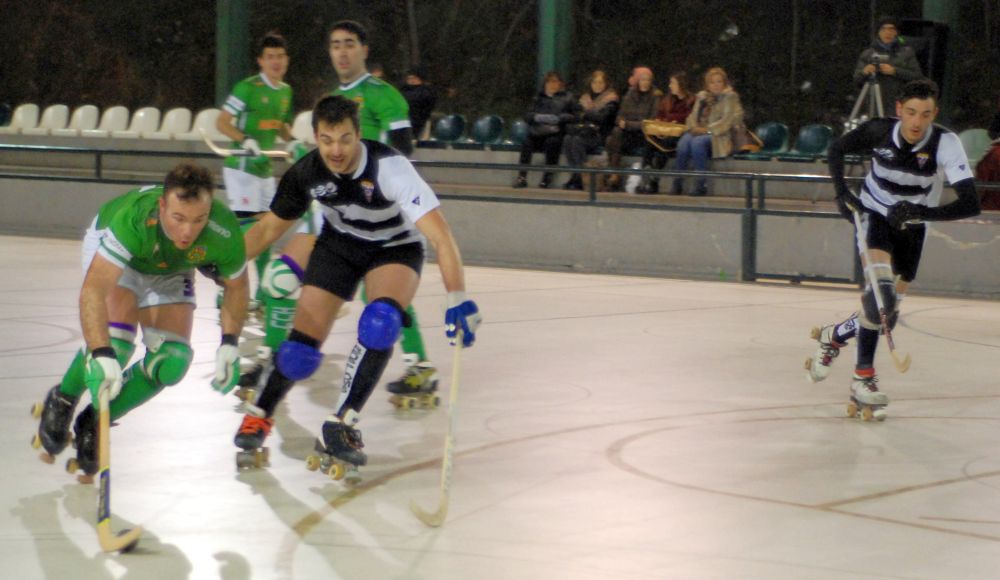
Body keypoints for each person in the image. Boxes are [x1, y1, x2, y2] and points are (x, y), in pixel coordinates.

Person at [232, 95, 481, 472]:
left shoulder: (390, 169)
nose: (336, 150)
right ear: (315, 137)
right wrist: (226, 266)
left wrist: (458, 298)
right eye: (327, 139)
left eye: (345, 139)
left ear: (359, 135)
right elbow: (267, 228)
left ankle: (343, 423)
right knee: (299, 353)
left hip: (395, 249)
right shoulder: (307, 173)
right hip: (340, 246)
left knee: (381, 322)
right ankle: (261, 411)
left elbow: (442, 237)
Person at [33, 163, 249, 477]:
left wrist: (229, 343)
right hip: (125, 259)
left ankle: (95, 420)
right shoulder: (133, 221)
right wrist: (101, 354)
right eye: (178, 218)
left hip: (171, 269)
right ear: (162, 206)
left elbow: (238, 286)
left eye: (198, 219)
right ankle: (63, 398)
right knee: (116, 349)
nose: (188, 231)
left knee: (173, 362)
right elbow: (93, 291)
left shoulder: (223, 230)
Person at [806, 79, 979, 418]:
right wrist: (843, 195)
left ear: (935, 114)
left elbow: (970, 203)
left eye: (926, 114)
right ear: (899, 110)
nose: (917, 122)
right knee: (881, 298)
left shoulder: (945, 143)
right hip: (875, 217)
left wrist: (922, 212)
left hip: (914, 228)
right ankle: (863, 378)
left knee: (887, 312)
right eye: (911, 112)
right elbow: (836, 150)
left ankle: (835, 335)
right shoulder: (877, 131)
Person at [214, 33, 313, 385]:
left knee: (268, 234)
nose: (276, 62)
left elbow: (281, 124)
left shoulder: (284, 92)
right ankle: (227, 284)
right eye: (270, 56)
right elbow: (222, 122)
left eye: (281, 56)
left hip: (265, 172)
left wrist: (293, 140)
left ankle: (257, 295)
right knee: (247, 231)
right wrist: (245, 140)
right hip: (242, 169)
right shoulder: (247, 88)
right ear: (260, 60)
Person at [671, 67, 743, 197]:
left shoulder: (730, 97)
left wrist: (706, 130)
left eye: (719, 82)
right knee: (683, 143)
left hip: (719, 135)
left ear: (724, 83)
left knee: (697, 143)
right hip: (699, 131)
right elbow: (692, 117)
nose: (715, 85)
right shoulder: (702, 96)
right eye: (712, 82)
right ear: (707, 84)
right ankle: (678, 182)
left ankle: (701, 184)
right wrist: (692, 128)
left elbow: (726, 122)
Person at [513, 71, 576, 189]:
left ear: (560, 84)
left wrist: (559, 119)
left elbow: (574, 115)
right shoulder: (538, 97)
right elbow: (527, 115)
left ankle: (547, 176)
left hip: (555, 131)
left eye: (555, 81)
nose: (552, 84)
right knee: (527, 142)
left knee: (552, 142)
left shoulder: (567, 97)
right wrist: (537, 117)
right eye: (549, 81)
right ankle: (522, 176)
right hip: (538, 131)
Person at [561, 70, 619, 191]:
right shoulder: (585, 98)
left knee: (576, 141)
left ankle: (581, 177)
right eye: (594, 82)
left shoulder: (611, 99)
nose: (597, 85)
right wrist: (587, 115)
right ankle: (575, 174)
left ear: (606, 84)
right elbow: (576, 115)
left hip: (600, 134)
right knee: (567, 139)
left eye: (600, 82)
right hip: (584, 131)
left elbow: (602, 118)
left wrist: (585, 114)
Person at [604, 66, 660, 192]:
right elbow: (619, 117)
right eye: (642, 80)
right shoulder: (630, 94)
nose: (645, 83)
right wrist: (624, 123)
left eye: (648, 80)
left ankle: (614, 175)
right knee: (613, 136)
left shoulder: (655, 96)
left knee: (613, 139)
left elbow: (649, 122)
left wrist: (629, 124)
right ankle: (614, 173)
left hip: (643, 135)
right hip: (627, 133)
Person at [639, 71, 695, 194]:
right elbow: (661, 114)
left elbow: (688, 117)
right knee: (649, 142)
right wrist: (660, 120)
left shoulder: (691, 100)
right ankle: (647, 173)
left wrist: (671, 119)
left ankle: (652, 181)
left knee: (662, 147)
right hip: (665, 130)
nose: (670, 86)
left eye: (673, 83)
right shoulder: (667, 99)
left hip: (679, 133)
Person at [852, 16, 923, 107]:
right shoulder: (867, 54)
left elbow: (917, 77)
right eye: (883, 29)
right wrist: (864, 72)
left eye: (891, 29)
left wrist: (895, 71)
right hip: (874, 103)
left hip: (900, 103)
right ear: (878, 33)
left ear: (896, 32)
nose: (887, 32)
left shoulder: (907, 52)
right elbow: (856, 80)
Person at [399, 67, 437, 140]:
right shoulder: (403, 90)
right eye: (409, 78)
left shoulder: (426, 92)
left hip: (418, 122)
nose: (411, 80)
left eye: (414, 78)